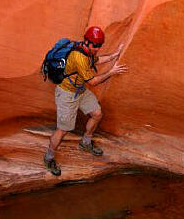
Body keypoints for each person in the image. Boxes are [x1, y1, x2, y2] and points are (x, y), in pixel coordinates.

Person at [44, 26, 128, 176]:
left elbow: (96, 60)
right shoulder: (79, 57)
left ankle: (86, 143)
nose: (97, 48)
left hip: (80, 90)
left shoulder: (87, 51)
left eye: (99, 45)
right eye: (95, 45)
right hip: (67, 94)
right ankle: (49, 157)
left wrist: (115, 55)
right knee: (63, 130)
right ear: (87, 42)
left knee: (97, 113)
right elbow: (94, 81)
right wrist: (111, 72)